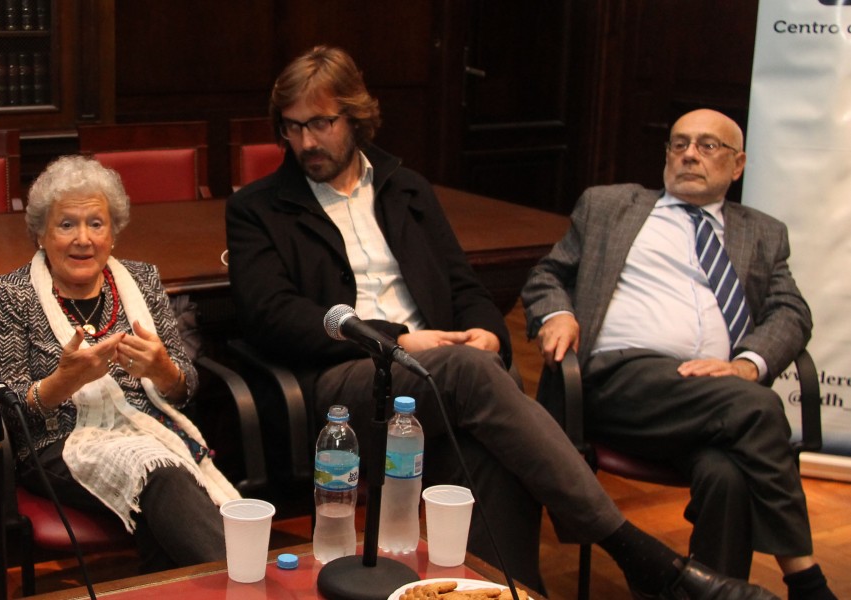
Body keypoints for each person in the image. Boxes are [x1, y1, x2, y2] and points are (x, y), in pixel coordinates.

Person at [226, 45, 778, 599]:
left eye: (321, 123)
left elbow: (465, 285)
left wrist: (487, 330)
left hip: (446, 378)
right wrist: (398, 340)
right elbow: (271, 314)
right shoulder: (259, 207)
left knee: (497, 447)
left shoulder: (406, 188)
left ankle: (515, 593)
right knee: (481, 379)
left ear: (356, 116)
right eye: (293, 127)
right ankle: (640, 553)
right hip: (352, 379)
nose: (306, 143)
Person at [523, 108, 835, 598]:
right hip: (616, 381)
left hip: (712, 402)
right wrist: (556, 314)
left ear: (738, 165)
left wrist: (745, 364)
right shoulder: (609, 207)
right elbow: (547, 276)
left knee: (727, 473)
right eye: (679, 143)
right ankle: (806, 579)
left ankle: (709, 591)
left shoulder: (764, 232)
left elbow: (791, 312)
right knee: (757, 406)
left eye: (708, 146)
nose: (689, 153)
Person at [0, 154, 239, 572]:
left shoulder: (142, 280)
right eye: (67, 224)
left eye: (96, 224)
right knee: (164, 474)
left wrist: (162, 370)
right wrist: (63, 381)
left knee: (161, 501)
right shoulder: (12, 295)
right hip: (57, 444)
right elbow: (6, 409)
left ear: (113, 233)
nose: (83, 238)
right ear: (41, 234)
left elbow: (185, 387)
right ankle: (242, 584)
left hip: (151, 430)